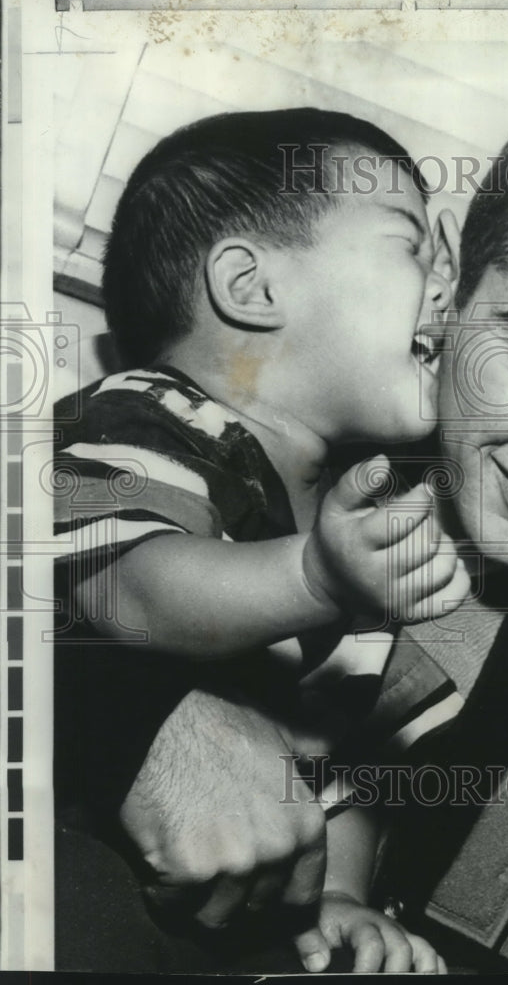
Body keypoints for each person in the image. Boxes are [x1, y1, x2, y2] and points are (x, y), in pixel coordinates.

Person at [56, 74, 508, 975]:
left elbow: (341, 783)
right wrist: (127, 712)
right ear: (449, 278)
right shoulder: (259, 455)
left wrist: (338, 903)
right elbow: (83, 540)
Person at [52, 107, 470, 973]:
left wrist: (342, 900)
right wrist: (314, 577)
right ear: (250, 286)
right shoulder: (144, 413)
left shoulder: (350, 516)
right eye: (409, 248)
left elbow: (334, 766)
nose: (448, 288)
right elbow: (126, 590)